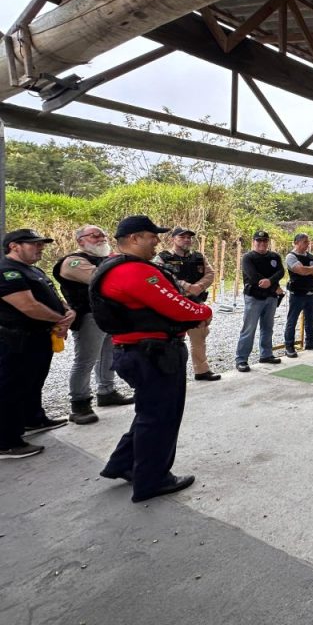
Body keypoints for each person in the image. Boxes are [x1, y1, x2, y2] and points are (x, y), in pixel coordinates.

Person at [90, 215, 213, 501]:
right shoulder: (132, 271)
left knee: (150, 413)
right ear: (133, 238)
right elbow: (178, 307)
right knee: (161, 418)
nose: (156, 241)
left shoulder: (116, 267)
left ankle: (123, 464)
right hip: (152, 354)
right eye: (151, 236)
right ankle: (152, 480)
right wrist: (203, 312)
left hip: (141, 351)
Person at [0, 229, 75, 459]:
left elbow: (50, 292)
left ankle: (34, 419)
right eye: (34, 244)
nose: (41, 248)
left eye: (41, 244)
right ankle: (7, 442)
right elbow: (28, 306)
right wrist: (60, 319)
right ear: (14, 246)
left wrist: (67, 311)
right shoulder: (6, 271)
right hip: (15, 339)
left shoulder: (32, 269)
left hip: (38, 337)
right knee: (10, 388)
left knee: (33, 382)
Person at [54, 225, 132, 425]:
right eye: (94, 235)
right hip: (89, 316)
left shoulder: (105, 259)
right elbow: (105, 279)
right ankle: (79, 403)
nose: (101, 238)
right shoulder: (72, 262)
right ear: (80, 241)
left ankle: (106, 391)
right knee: (85, 360)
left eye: (103, 235)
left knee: (109, 354)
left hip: (107, 315)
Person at [158, 227, 219, 381]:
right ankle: (168, 375)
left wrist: (198, 287)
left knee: (199, 338)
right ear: (173, 239)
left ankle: (201, 370)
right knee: (170, 341)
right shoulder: (162, 258)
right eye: (182, 237)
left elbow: (210, 274)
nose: (187, 240)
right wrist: (185, 286)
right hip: (172, 305)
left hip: (195, 304)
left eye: (189, 237)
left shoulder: (198, 257)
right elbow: (159, 277)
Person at [234, 230, 284, 371]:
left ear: (268, 242)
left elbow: (280, 272)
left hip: (271, 297)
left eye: (264, 241)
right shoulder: (248, 257)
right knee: (249, 329)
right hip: (254, 297)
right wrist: (273, 285)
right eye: (259, 241)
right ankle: (241, 359)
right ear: (253, 242)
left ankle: (266, 354)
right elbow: (253, 276)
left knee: (268, 327)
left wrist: (270, 282)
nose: (262, 243)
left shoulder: (274, 256)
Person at [283, 233, 313, 358]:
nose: (307, 244)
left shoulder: (311, 256)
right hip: (297, 294)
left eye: (308, 241)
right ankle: (289, 346)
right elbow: (300, 271)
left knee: (311, 318)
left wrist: (308, 270)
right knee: (292, 320)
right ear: (297, 243)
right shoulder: (291, 257)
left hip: (310, 292)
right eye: (305, 242)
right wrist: (312, 268)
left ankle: (310, 341)